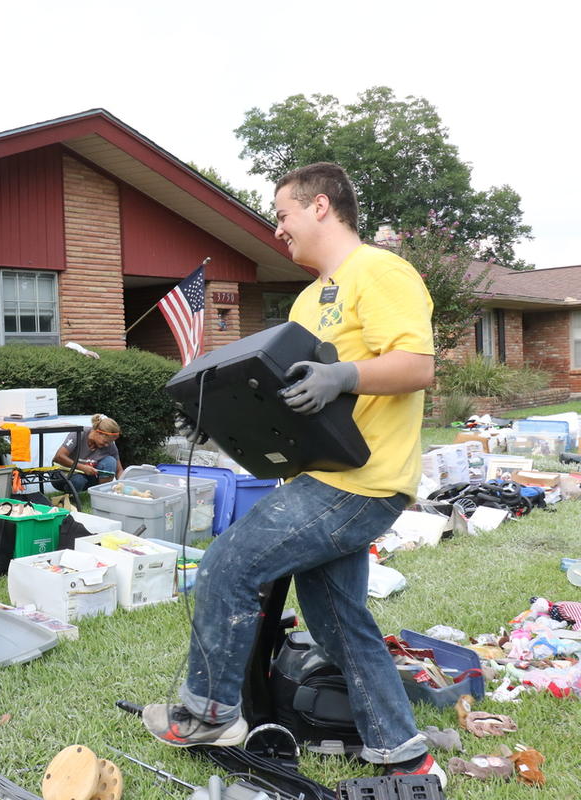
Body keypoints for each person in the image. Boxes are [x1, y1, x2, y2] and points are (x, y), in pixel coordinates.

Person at [142, 163, 445, 786]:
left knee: (228, 563)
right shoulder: (310, 298)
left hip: (363, 480)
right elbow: (283, 391)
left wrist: (345, 375)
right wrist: (222, 418)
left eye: (282, 214)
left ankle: (210, 713)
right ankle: (404, 754)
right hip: (320, 475)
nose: (278, 229)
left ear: (321, 207)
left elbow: (416, 366)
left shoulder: (381, 271)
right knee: (338, 622)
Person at [52, 414, 124, 494]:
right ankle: (70, 496)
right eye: (105, 442)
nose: (107, 445)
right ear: (97, 432)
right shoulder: (79, 434)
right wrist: (83, 467)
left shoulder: (110, 445)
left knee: (110, 461)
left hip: (86, 476)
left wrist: (123, 485)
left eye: (110, 442)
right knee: (78, 480)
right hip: (61, 475)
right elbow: (58, 457)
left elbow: (119, 470)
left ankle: (101, 494)